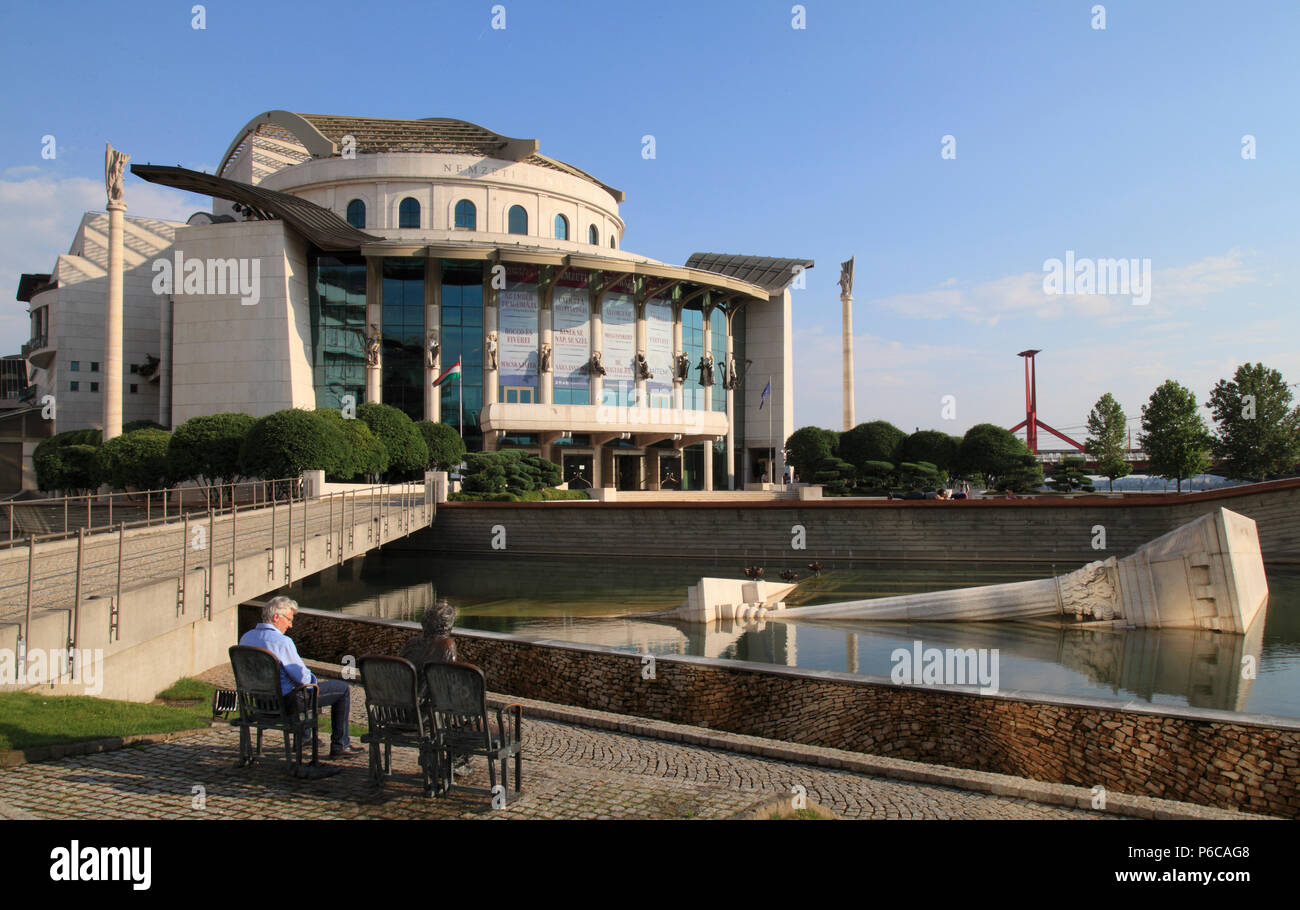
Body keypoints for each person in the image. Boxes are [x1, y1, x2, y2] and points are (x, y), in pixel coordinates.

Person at [239, 596, 362, 758]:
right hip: (286, 704)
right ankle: (340, 745)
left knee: (298, 688)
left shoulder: (246, 638)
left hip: (260, 701)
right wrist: (311, 678)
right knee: (341, 689)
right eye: (289, 620)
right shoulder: (282, 642)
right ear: (276, 617)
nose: (290, 625)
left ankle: (305, 738)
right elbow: (303, 679)